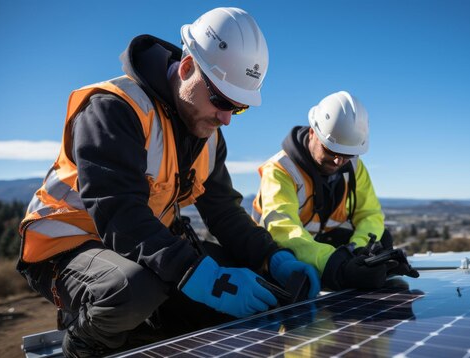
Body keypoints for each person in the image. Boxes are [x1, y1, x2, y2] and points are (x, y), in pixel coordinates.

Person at [17, 7, 320, 357]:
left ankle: (155, 324)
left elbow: (223, 212)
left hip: (133, 245)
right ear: (188, 67)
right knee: (134, 289)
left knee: (244, 272)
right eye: (222, 100)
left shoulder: (208, 134)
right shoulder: (114, 108)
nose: (226, 119)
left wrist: (274, 259)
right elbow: (120, 215)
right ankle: (83, 342)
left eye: (238, 108)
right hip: (64, 249)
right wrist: (199, 275)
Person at [252, 91, 419, 292]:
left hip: (319, 242)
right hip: (279, 252)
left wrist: (359, 251)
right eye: (331, 151)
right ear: (313, 132)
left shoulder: (355, 167)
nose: (339, 161)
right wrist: (335, 263)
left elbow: (370, 214)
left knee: (381, 238)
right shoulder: (280, 169)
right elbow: (283, 229)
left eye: (347, 155)